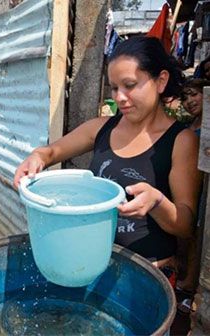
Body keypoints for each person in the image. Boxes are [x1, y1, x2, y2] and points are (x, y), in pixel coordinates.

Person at [14, 36, 202, 287]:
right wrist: (36, 157)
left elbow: (185, 224)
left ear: (161, 81)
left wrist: (156, 201)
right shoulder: (101, 128)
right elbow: (50, 152)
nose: (120, 97)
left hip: (147, 274)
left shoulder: (181, 140)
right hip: (94, 264)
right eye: (114, 88)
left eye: (130, 85)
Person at [176, 78, 209, 314]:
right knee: (190, 233)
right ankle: (188, 276)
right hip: (192, 185)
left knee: (198, 234)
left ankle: (190, 281)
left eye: (193, 94)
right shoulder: (190, 126)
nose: (189, 101)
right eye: (185, 98)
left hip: (205, 188)